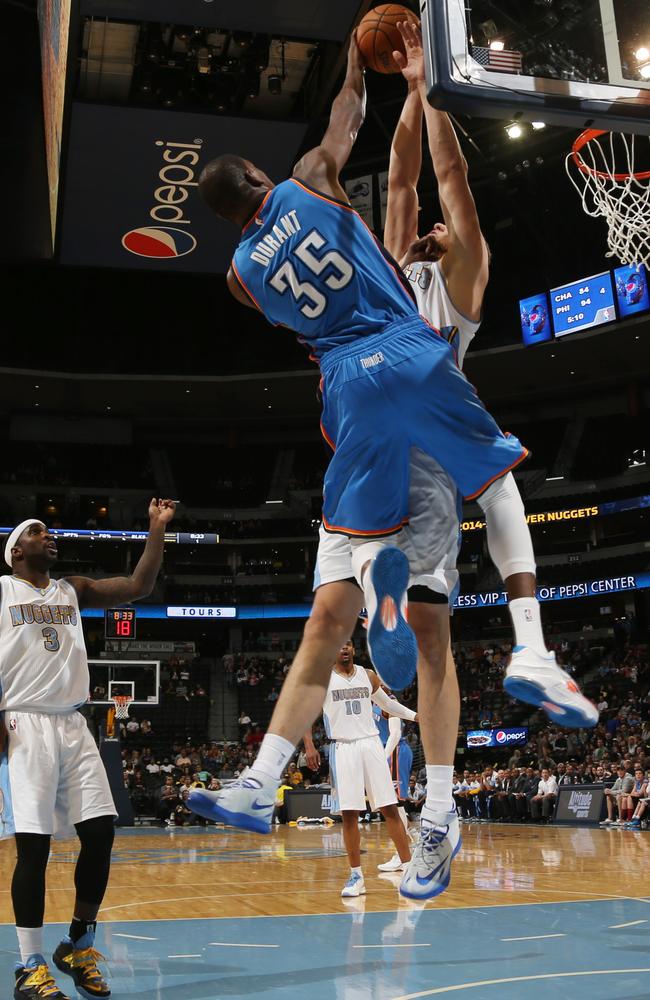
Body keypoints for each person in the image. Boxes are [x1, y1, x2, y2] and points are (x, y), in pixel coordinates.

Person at [189, 23, 596, 875]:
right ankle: (521, 647)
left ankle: (276, 765)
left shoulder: (442, 282)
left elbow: (438, 184)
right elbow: (410, 174)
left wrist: (419, 91)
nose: (438, 234)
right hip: (412, 382)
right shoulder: (377, 246)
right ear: (263, 179)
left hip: (353, 403)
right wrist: (409, 83)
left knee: (331, 618)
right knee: (497, 481)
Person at [0, 500, 175, 1000]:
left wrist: (155, 528)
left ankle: (77, 942)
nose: (48, 535)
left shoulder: (71, 589)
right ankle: (29, 967)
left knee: (100, 835)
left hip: (73, 723)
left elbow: (138, 587)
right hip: (24, 722)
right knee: (33, 847)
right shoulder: (2, 590)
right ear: (15, 552)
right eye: (37, 531)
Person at [300, 640, 418, 896]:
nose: (343, 648)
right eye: (338, 645)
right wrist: (309, 746)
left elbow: (388, 705)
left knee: (390, 807)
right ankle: (356, 876)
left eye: (348, 644)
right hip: (343, 747)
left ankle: (409, 868)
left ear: (353, 649)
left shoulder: (368, 675)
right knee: (350, 814)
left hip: (371, 743)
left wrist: (417, 716)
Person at [372, 686, 416, 872]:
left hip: (395, 752)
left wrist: (383, 758)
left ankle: (403, 853)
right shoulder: (372, 702)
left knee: (396, 803)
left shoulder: (390, 703)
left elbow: (395, 734)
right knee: (390, 804)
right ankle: (407, 847)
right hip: (385, 752)